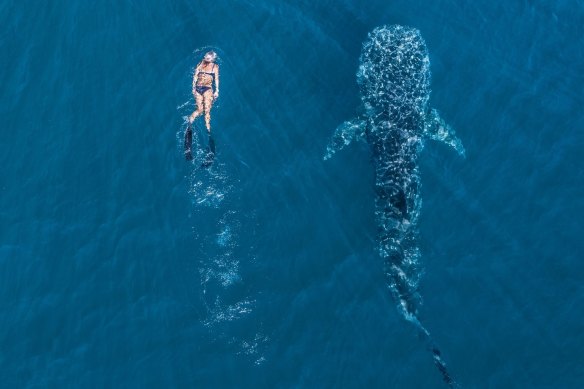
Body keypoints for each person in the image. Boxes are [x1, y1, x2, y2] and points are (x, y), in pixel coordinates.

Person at [189, 51, 219, 134]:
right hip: (198, 88)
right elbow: (195, 76)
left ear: (213, 59)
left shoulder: (215, 67)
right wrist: (193, 88)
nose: (205, 59)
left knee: (207, 110)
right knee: (200, 110)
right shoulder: (200, 64)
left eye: (208, 58)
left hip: (207, 88)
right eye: (205, 57)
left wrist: (217, 90)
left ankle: (208, 129)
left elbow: (216, 79)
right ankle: (190, 122)